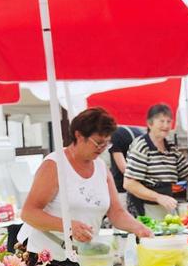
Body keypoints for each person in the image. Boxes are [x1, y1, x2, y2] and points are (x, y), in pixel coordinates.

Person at [17, 107, 153, 252]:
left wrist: (139, 228)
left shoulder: (101, 167)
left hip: (84, 254)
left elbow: (116, 213)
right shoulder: (55, 165)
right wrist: (69, 225)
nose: (102, 149)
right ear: (79, 136)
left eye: (106, 143)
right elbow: (29, 213)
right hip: (47, 254)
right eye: (98, 143)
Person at [122, 103, 188, 217]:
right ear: (150, 123)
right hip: (143, 208)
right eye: (162, 121)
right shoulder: (142, 146)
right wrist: (158, 197)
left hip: (166, 206)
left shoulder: (171, 148)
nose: (166, 125)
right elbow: (130, 184)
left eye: (169, 121)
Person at [108, 124, 136, 213]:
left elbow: (124, 168)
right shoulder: (138, 131)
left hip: (122, 189)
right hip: (140, 189)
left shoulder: (116, 135)